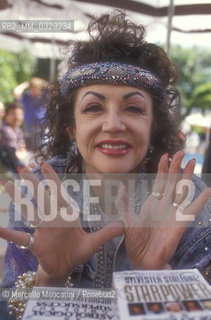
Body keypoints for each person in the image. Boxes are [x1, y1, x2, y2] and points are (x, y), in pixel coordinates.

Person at [0, 11, 210, 320]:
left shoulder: (186, 195)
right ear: (72, 128)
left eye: (134, 108)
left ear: (154, 126)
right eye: (94, 107)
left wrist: (156, 278)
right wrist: (51, 279)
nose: (113, 124)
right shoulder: (40, 193)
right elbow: (9, 310)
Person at [13, 77, 48, 150]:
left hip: (41, 129)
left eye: (36, 88)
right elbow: (16, 92)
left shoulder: (43, 97)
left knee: (42, 151)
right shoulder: (26, 97)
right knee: (29, 151)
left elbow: (54, 90)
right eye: (32, 88)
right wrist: (26, 84)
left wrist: (42, 83)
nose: (33, 91)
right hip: (28, 129)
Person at [0, 102, 26, 173]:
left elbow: (23, 147)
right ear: (6, 115)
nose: (18, 117)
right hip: (9, 165)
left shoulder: (17, 129)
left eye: (21, 114)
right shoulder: (5, 129)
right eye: (14, 114)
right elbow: (15, 153)